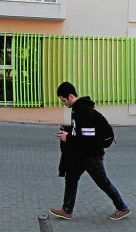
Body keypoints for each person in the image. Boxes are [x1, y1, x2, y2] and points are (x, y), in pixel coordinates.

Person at [49, 81, 130, 221]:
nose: (62, 103)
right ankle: (66, 210)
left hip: (91, 156)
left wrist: (68, 137)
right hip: (81, 154)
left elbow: (87, 138)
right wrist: (68, 130)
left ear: (70, 96)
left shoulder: (83, 111)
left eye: (63, 100)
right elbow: (81, 132)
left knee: (103, 183)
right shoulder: (77, 109)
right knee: (71, 177)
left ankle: (123, 208)